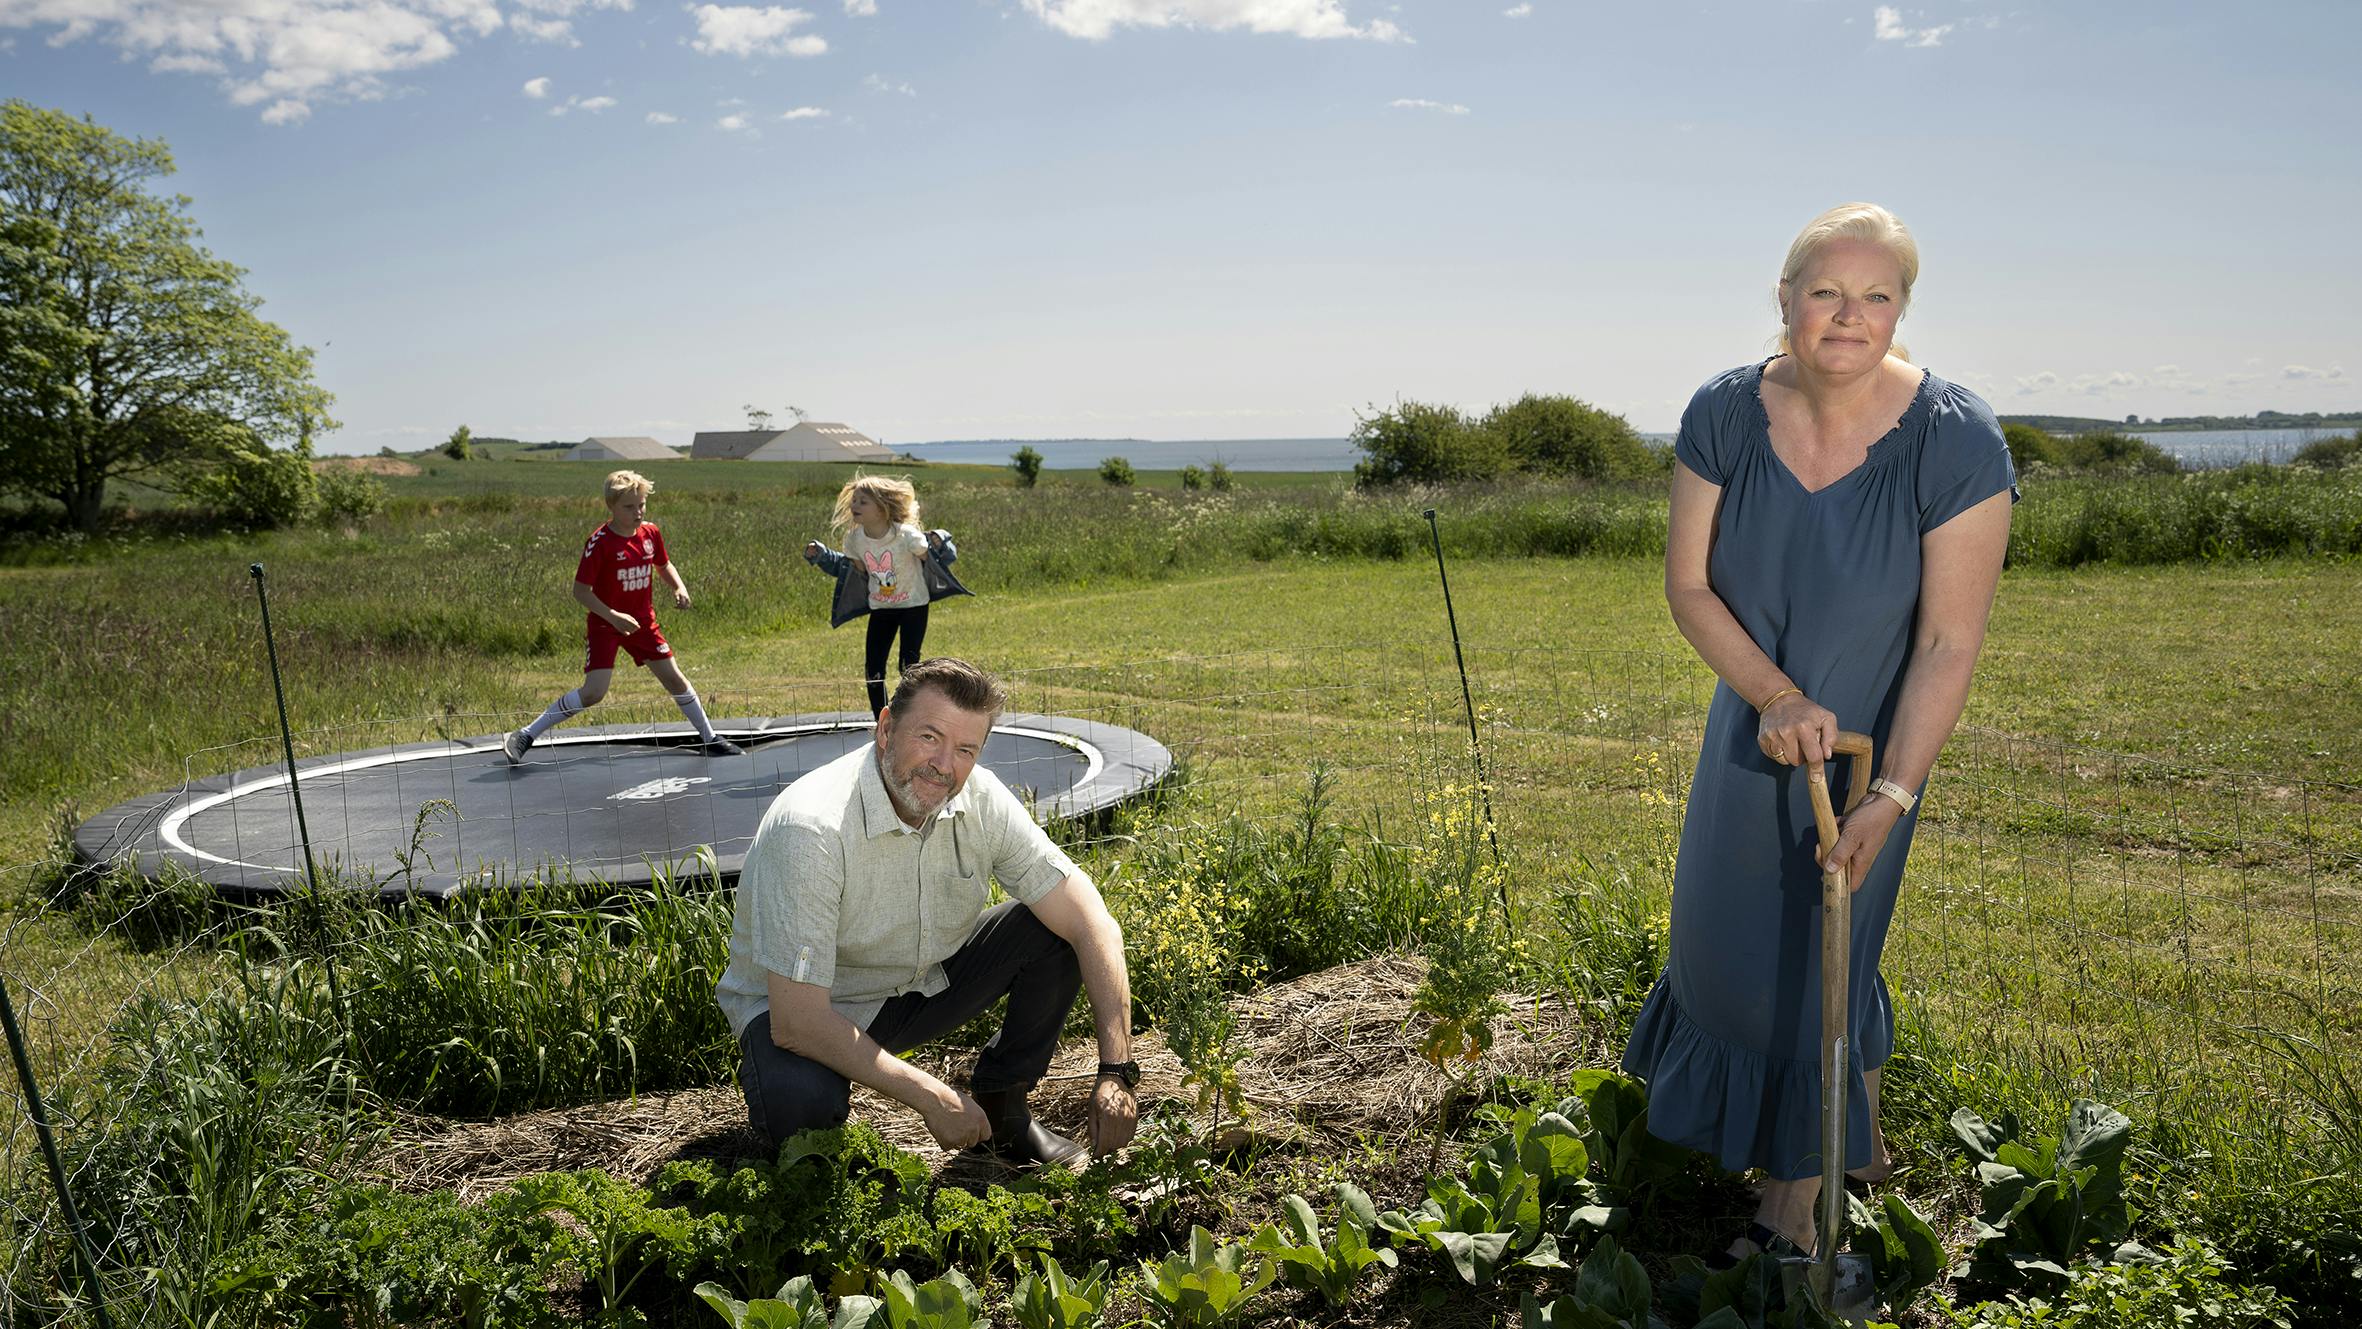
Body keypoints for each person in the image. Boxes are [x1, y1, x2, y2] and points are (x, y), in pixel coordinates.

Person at [1618, 203, 2017, 1263]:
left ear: (1902, 310)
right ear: (1784, 299)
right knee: (1720, 951)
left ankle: (1793, 1221)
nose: (1849, 316)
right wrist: (1774, 695)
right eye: (1826, 292)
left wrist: (1892, 796)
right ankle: (1861, 1145)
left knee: (1825, 956)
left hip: (1872, 757)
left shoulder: (1954, 438)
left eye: (1876, 295)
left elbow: (1946, 644)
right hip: (1751, 733)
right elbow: (1689, 586)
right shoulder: (1721, 412)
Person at [715, 656, 1140, 1165]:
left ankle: (1004, 1110)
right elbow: (798, 1022)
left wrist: (1117, 1070)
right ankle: (818, 1169)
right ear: (886, 729)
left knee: (1056, 932)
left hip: (914, 986)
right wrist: (931, 1095)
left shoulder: (979, 799)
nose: (945, 765)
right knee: (804, 1108)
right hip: (805, 1010)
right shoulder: (812, 829)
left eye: (965, 749)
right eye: (929, 738)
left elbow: (1091, 919)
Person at [504, 470, 743, 762]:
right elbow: (580, 591)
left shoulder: (650, 533)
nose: (638, 512)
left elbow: (663, 564)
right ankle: (526, 734)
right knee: (594, 692)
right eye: (629, 507)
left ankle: (710, 738)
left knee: (675, 679)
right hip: (606, 624)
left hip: (643, 622)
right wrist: (613, 615)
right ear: (612, 507)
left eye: (641, 505)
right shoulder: (600, 542)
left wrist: (678, 587)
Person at [801, 476, 971, 717]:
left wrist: (940, 543)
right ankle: (882, 720)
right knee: (873, 669)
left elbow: (936, 561)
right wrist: (821, 555)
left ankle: (911, 716)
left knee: (909, 667)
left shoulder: (907, 536)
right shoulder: (854, 540)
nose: (855, 506)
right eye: (854, 500)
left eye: (863, 502)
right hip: (881, 608)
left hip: (914, 606)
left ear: (882, 508)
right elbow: (850, 571)